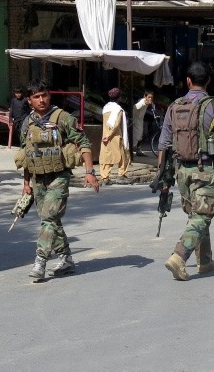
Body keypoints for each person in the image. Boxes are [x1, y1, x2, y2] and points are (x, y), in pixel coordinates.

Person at [157, 62, 214, 281]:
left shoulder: (173, 107)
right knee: (202, 215)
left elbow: (163, 144)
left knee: (197, 214)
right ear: (208, 81)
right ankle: (179, 256)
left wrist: (162, 177)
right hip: (204, 170)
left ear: (188, 81)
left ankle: (205, 261)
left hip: (181, 172)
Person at [19, 81, 99, 280]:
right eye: (36, 97)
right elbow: (25, 154)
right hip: (38, 178)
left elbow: (84, 142)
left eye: (44, 95)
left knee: (49, 217)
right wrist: (26, 184)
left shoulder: (62, 118)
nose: (41, 100)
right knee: (50, 220)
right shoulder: (27, 122)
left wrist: (90, 172)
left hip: (59, 176)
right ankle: (66, 258)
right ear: (29, 100)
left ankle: (40, 261)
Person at [99, 87, 131, 184]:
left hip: (105, 135)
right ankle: (121, 174)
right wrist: (109, 135)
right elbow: (116, 125)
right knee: (123, 155)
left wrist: (106, 135)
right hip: (115, 136)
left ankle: (105, 177)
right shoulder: (118, 110)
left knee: (107, 156)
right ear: (119, 98)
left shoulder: (105, 108)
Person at [132, 90, 154, 156]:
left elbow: (153, 106)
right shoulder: (141, 102)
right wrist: (144, 103)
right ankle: (133, 148)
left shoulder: (148, 102)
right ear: (145, 96)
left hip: (140, 120)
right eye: (149, 97)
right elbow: (135, 107)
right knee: (138, 136)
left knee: (140, 135)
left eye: (151, 97)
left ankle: (138, 150)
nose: (150, 99)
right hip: (136, 120)